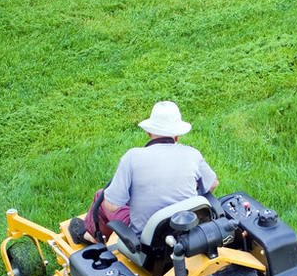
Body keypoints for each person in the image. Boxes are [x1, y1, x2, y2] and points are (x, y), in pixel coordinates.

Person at [69, 100, 219, 245]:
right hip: (184, 233)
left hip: (147, 243)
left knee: (101, 196)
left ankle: (91, 236)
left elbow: (112, 206)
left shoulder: (132, 158)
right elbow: (212, 184)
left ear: (149, 132)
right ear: (177, 135)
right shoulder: (192, 154)